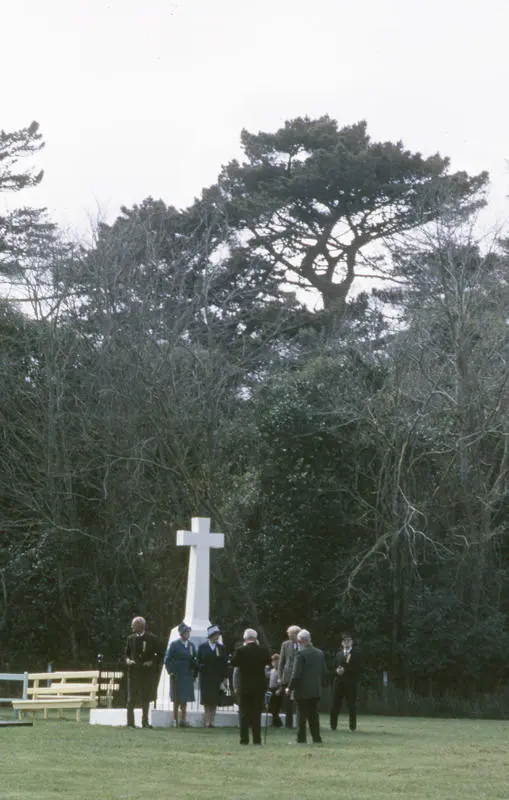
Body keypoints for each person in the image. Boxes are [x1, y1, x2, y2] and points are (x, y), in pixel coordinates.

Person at [231, 628, 270, 745]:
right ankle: (257, 739)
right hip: (258, 686)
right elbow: (268, 664)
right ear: (256, 638)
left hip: (244, 686)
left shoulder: (240, 651)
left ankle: (244, 739)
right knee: (256, 713)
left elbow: (233, 663)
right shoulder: (263, 651)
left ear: (245, 638)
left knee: (243, 713)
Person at [287, 628, 325, 744]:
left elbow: (296, 674)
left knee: (301, 717)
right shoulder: (319, 653)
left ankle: (301, 738)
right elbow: (323, 671)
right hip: (315, 690)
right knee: (314, 715)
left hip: (302, 691)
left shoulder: (300, 654)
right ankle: (316, 738)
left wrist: (290, 687)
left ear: (300, 641)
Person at [125, 616, 162, 728]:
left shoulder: (152, 638)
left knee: (146, 698)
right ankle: (130, 723)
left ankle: (145, 722)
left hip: (146, 673)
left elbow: (159, 654)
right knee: (131, 699)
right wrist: (128, 660)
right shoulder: (130, 638)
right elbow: (126, 653)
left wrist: (152, 662)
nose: (132, 626)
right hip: (134, 673)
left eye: (134, 624)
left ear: (141, 625)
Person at [164, 622, 197, 727]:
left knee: (184, 699)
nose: (187, 634)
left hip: (187, 675)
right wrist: (171, 671)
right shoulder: (174, 645)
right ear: (181, 634)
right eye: (186, 632)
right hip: (177, 674)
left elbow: (194, 659)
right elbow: (167, 659)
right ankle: (175, 720)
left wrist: (194, 673)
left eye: (188, 632)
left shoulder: (191, 646)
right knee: (176, 698)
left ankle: (183, 720)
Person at [197, 624, 228, 727]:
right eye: (216, 635)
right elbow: (198, 660)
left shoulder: (221, 648)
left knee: (214, 701)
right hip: (205, 678)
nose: (217, 637)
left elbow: (224, 663)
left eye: (218, 635)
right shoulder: (202, 647)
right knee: (206, 701)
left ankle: (212, 721)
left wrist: (224, 678)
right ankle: (206, 721)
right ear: (211, 635)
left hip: (216, 678)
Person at [330, 631, 362, 731]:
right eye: (345, 641)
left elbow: (359, 668)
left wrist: (346, 670)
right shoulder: (339, 654)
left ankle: (352, 727)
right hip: (338, 683)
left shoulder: (356, 653)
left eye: (348, 641)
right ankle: (333, 726)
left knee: (351, 706)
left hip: (350, 683)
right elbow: (334, 665)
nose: (346, 643)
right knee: (335, 705)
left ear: (352, 642)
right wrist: (336, 671)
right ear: (342, 643)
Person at [278, 624, 300, 728]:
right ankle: (288, 724)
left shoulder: (302, 644)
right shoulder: (285, 644)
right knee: (288, 702)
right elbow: (281, 662)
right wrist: (279, 676)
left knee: (299, 701)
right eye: (289, 634)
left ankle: (300, 723)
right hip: (287, 676)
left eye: (291, 634)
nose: (290, 636)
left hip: (299, 676)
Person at [266, 653, 283, 727]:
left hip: (277, 689)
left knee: (276, 707)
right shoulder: (272, 670)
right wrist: (265, 669)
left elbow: (282, 681)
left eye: (276, 661)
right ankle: (276, 722)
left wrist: (279, 689)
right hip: (271, 689)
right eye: (273, 661)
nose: (274, 663)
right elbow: (267, 675)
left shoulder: (280, 671)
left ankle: (278, 723)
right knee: (271, 707)